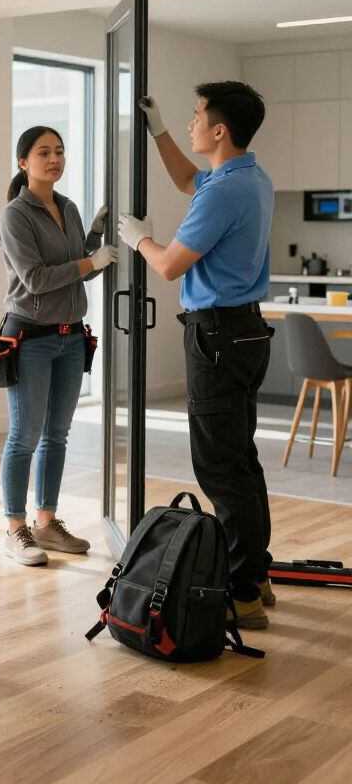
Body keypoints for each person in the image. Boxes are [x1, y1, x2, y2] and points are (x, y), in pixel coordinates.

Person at [117, 82, 274, 629]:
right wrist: (158, 128)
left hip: (217, 338)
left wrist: (137, 239)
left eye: (195, 116)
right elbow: (188, 178)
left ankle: (245, 592)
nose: (191, 123)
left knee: (219, 468)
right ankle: (258, 575)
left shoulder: (225, 192)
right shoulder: (247, 177)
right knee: (241, 461)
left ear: (219, 130)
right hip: (246, 333)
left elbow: (170, 265)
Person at [0, 126, 118, 565]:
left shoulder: (67, 207)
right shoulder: (16, 214)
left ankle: (45, 523)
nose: (55, 159)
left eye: (60, 152)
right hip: (30, 338)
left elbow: (80, 272)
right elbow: (37, 279)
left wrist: (95, 241)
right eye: (44, 152)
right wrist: (90, 259)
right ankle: (16, 528)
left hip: (70, 338)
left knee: (57, 435)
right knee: (24, 436)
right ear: (23, 162)